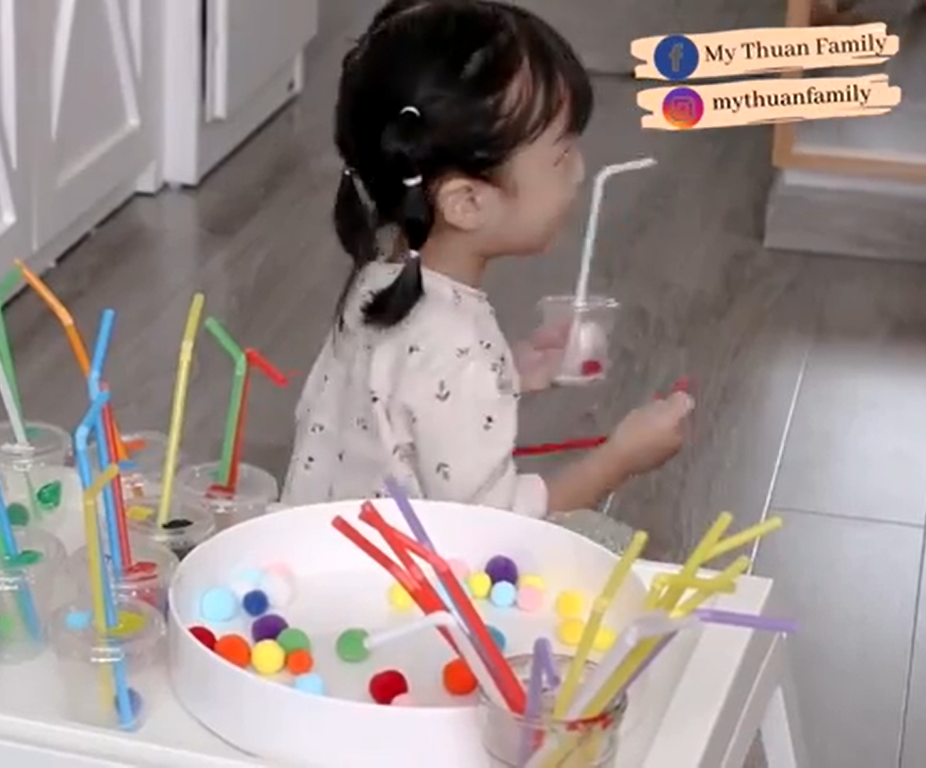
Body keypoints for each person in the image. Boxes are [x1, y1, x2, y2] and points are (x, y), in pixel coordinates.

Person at [281, 0, 694, 516]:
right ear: (467, 203)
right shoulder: (455, 350)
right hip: (391, 571)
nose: (580, 170)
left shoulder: (378, 279)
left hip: (309, 550)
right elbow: (493, 527)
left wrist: (507, 374)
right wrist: (619, 459)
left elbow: (398, 405)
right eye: (562, 154)